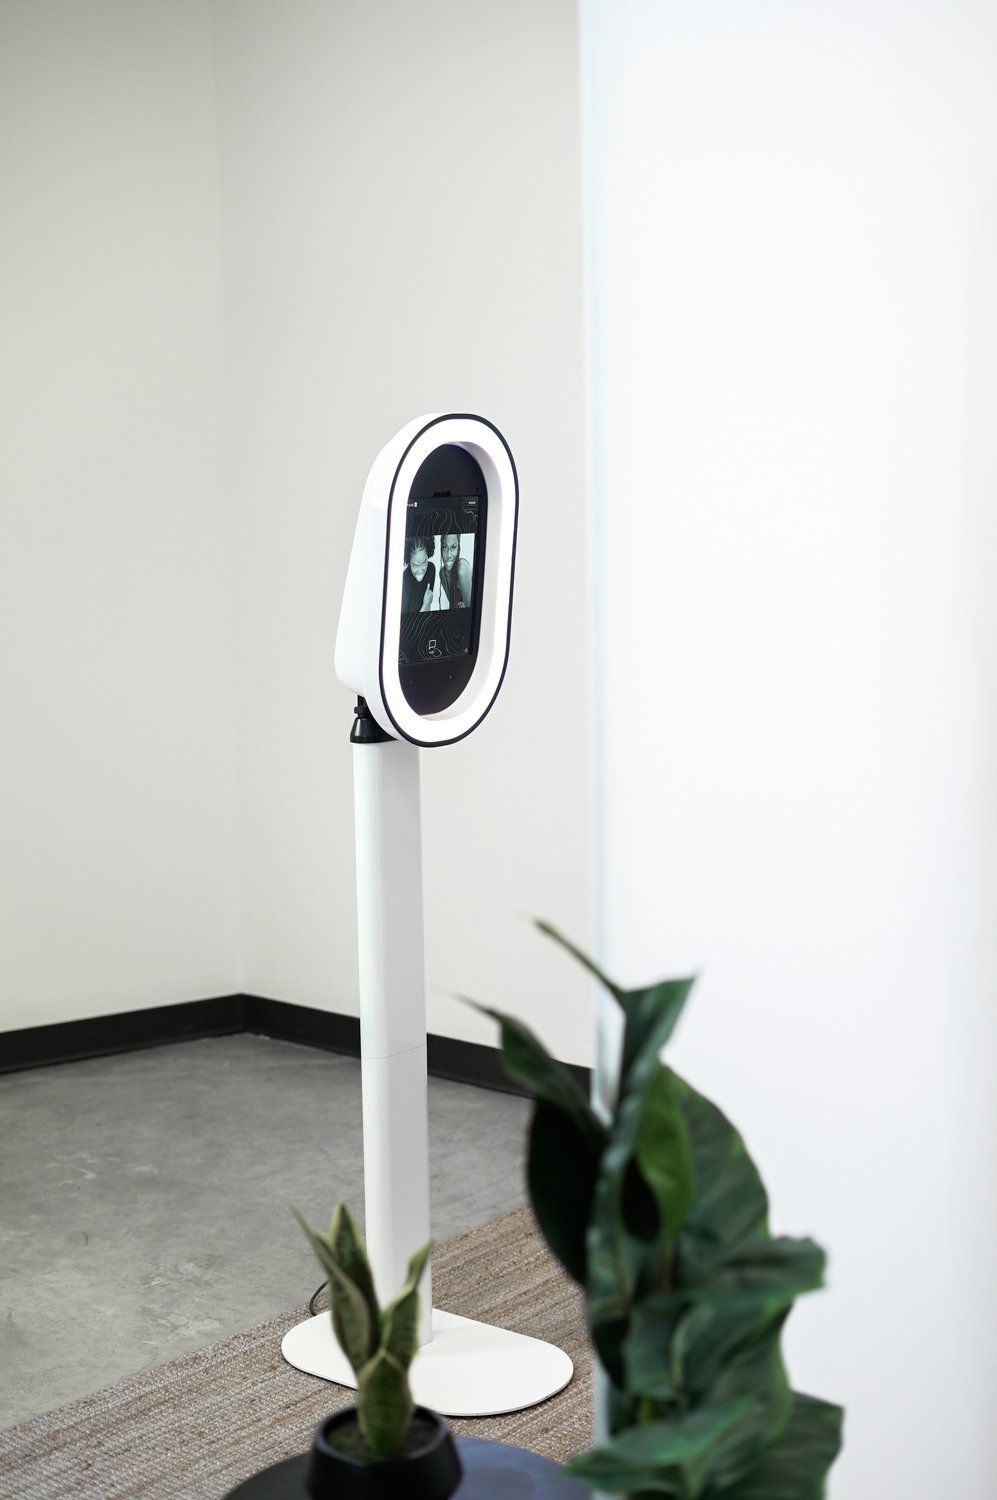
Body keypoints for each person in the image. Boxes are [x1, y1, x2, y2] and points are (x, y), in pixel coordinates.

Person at [401, 535, 436, 613]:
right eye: (415, 565)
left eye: (424, 563)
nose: (420, 571)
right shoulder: (403, 583)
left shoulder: (431, 569)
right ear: (409, 561)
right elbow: (405, 621)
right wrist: (426, 603)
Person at [439, 533, 472, 609]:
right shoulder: (442, 573)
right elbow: (452, 605)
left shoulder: (462, 570)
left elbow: (470, 609)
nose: (448, 555)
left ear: (458, 548)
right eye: (444, 548)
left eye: (453, 547)